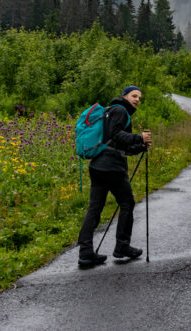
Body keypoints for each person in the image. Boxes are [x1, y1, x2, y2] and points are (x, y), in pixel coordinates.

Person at [76, 85, 152, 268]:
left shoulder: (112, 111)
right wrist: (139, 137)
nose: (137, 100)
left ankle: (85, 253)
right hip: (112, 168)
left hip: (97, 165)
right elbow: (117, 136)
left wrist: (140, 147)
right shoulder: (120, 111)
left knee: (95, 209)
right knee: (127, 203)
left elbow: (118, 143)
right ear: (125, 96)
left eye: (139, 98)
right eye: (134, 96)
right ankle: (122, 247)